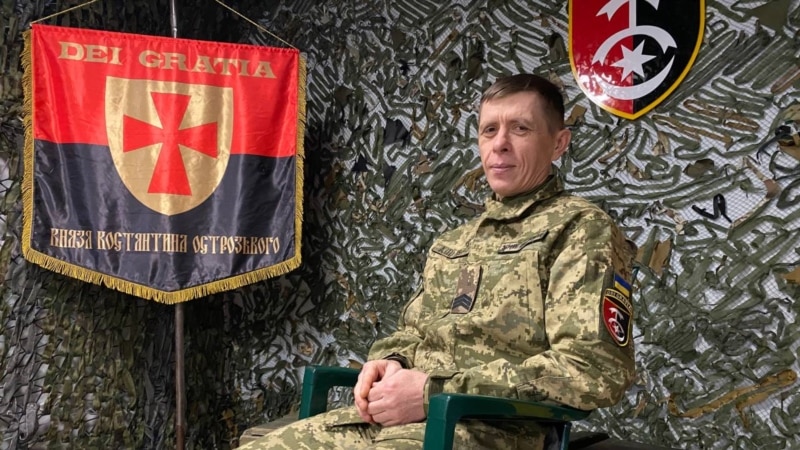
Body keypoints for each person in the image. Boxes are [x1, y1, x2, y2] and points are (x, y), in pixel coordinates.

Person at [239, 73, 637, 449]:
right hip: (393, 422)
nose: (499, 144)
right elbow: (414, 333)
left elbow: (592, 368)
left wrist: (431, 393)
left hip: (490, 431)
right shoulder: (456, 242)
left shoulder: (580, 229)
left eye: (520, 128)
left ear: (559, 143)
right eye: (489, 130)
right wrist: (389, 362)